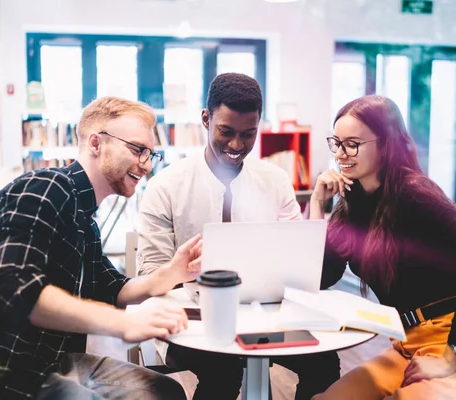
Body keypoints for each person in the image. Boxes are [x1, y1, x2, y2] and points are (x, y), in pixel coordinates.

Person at [0, 97, 205, 400]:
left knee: (166, 391)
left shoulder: (84, 220)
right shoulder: (46, 187)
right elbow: (16, 288)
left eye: (150, 154)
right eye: (137, 150)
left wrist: (173, 271)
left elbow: (113, 289)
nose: (147, 164)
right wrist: (122, 323)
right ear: (96, 143)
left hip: (43, 364)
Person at [137, 72, 341, 400]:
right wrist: (182, 273)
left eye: (249, 134)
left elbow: (297, 260)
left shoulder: (274, 180)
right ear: (206, 119)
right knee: (224, 371)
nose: (236, 145)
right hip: (194, 323)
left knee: (324, 365)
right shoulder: (167, 186)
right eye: (226, 131)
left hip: (267, 317)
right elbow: (150, 278)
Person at [310, 95, 456, 399]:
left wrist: (452, 356)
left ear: (386, 145)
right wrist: (319, 206)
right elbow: (319, 277)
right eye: (337, 142)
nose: (341, 154)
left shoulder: (415, 195)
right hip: (408, 343)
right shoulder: (351, 206)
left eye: (353, 143)